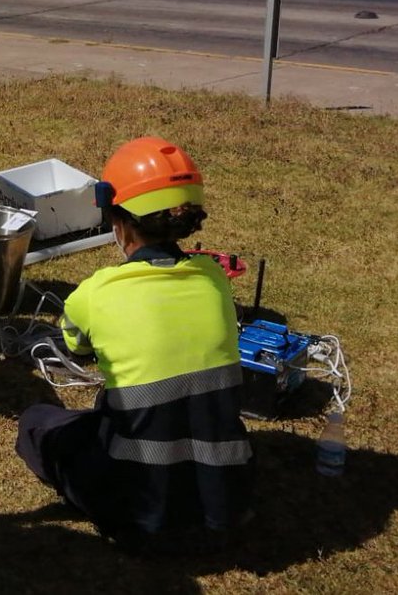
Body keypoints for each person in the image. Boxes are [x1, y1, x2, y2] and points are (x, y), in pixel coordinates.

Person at [15, 136, 254, 550]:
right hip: (226, 498)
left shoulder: (94, 294)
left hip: (136, 506)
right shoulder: (214, 277)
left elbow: (76, 349)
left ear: (119, 221)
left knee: (39, 422)